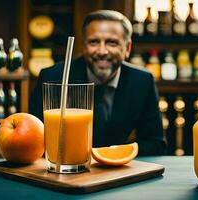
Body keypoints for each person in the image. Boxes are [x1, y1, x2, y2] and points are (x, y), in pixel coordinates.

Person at [30, 10, 166, 155]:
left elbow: (155, 143)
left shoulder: (142, 81)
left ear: (127, 48)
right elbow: (35, 139)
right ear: (84, 46)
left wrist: (118, 154)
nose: (102, 51)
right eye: (94, 42)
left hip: (119, 171)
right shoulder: (52, 77)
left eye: (112, 42)